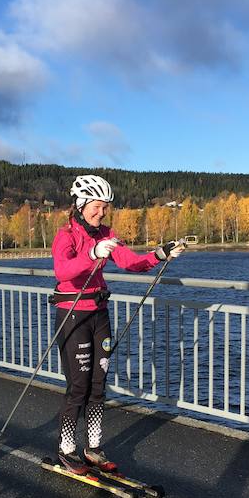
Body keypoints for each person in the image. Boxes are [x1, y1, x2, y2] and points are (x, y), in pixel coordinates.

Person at [51, 174, 184, 474]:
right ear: (81, 205)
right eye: (96, 207)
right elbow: (63, 271)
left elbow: (130, 262)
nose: (101, 213)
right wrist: (92, 254)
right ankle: (67, 448)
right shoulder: (66, 236)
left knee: (98, 384)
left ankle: (93, 446)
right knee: (78, 387)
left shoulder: (107, 233)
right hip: (74, 314)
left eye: (105, 208)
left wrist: (161, 254)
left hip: (99, 315)